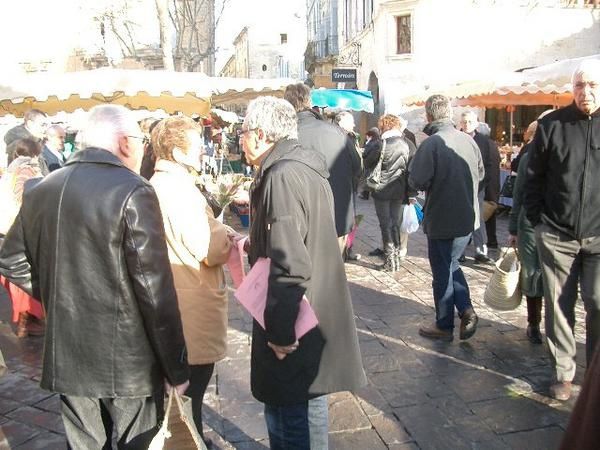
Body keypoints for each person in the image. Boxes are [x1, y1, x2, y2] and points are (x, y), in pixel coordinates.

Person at [0, 105, 190, 448]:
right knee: (140, 443)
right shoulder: (134, 190)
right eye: (140, 141)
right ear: (125, 143)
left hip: (70, 349)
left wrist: (61, 295)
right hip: (130, 358)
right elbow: (154, 290)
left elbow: (12, 258)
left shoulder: (41, 188)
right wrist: (177, 368)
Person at [241, 96, 366, 450]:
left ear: (263, 134)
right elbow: (300, 238)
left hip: (295, 317)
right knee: (309, 400)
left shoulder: (282, 175)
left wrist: (280, 333)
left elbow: (290, 261)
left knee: (288, 415)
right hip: (313, 308)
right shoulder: (303, 166)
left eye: (245, 131)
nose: (242, 139)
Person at [149, 116, 231, 448]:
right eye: (197, 146)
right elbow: (207, 246)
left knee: (184, 396)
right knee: (188, 397)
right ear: (178, 153)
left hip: (180, 297)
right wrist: (225, 233)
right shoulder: (176, 189)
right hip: (190, 306)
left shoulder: (160, 184)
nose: (203, 152)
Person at [523, 59, 600, 401]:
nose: (586, 92)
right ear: (572, 89)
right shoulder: (552, 125)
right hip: (556, 234)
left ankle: (595, 373)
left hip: (599, 237)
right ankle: (563, 372)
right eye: (580, 85)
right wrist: (539, 222)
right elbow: (533, 177)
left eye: (593, 85)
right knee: (558, 306)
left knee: (598, 302)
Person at [409, 95, 484, 342]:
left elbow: (416, 179)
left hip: (443, 217)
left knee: (442, 271)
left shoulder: (432, 144)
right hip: (467, 217)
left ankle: (444, 324)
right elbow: (481, 173)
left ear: (429, 116)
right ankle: (466, 309)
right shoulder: (469, 141)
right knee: (451, 264)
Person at [284, 83, 362, 254]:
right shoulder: (338, 133)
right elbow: (357, 168)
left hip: (301, 221)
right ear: (309, 102)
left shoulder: (285, 135)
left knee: (304, 274)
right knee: (334, 274)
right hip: (336, 217)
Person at [0, 138, 45, 338]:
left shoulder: (11, 170)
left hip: (8, 228)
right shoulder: (25, 170)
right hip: (20, 228)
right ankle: (28, 321)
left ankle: (27, 320)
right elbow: (24, 199)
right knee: (27, 273)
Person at [508, 120, 544, 344]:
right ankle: (534, 322)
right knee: (532, 272)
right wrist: (513, 228)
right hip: (530, 224)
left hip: (557, 226)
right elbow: (519, 192)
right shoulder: (530, 156)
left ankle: (544, 323)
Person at [367, 114, 416, 272]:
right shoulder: (406, 143)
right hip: (399, 190)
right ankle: (396, 259)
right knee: (395, 224)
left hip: (381, 190)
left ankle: (389, 260)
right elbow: (410, 171)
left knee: (385, 225)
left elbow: (367, 161)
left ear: (383, 126)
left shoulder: (380, 144)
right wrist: (411, 193)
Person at [460, 111, 494, 263]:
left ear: (476, 123)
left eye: (469, 122)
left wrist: (482, 183)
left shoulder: (483, 141)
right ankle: (459, 251)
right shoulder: (456, 138)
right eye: (464, 122)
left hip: (478, 187)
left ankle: (480, 250)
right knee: (460, 218)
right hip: (459, 186)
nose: (466, 124)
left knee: (478, 219)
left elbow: (488, 164)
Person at [359, 127, 381, 201]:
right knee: (372, 179)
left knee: (368, 180)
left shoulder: (371, 143)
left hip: (369, 164)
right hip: (375, 164)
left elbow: (365, 153)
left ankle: (365, 195)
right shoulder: (379, 141)